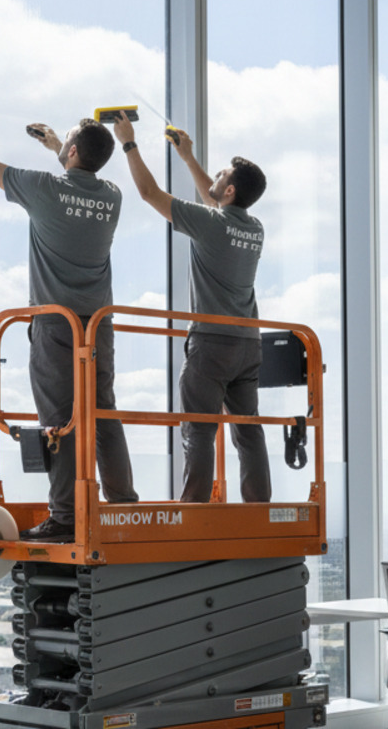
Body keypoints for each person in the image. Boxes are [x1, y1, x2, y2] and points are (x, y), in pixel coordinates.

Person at [0, 96, 138, 542]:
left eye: (65, 141)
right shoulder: (114, 197)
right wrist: (58, 148)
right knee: (103, 410)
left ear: (73, 154)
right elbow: (80, 187)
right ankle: (123, 502)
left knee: (60, 420)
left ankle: (65, 515)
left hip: (56, 323)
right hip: (98, 323)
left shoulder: (44, 188)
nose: (61, 143)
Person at [110, 112, 270, 503]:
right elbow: (215, 203)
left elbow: (149, 194)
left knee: (198, 428)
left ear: (229, 191)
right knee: (248, 430)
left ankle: (193, 511)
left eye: (220, 175)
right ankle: (259, 509)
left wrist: (128, 143)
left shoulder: (211, 224)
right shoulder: (254, 228)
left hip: (211, 345)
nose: (213, 178)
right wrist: (188, 158)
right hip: (248, 344)